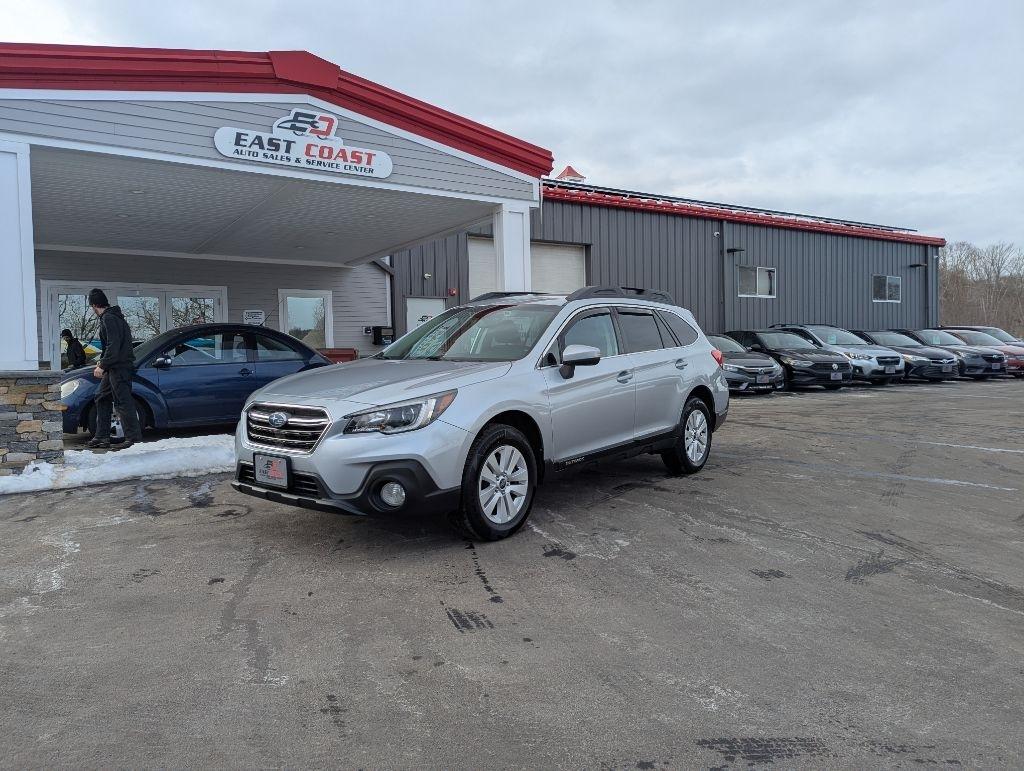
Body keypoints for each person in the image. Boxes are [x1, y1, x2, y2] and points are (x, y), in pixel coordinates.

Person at [87, 288, 143, 450]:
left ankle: (133, 439)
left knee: (122, 402)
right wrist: (102, 362)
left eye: (92, 307)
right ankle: (102, 436)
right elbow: (111, 346)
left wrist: (103, 365)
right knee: (101, 396)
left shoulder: (109, 319)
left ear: (94, 305)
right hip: (114, 366)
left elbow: (114, 345)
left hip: (119, 367)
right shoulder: (112, 317)